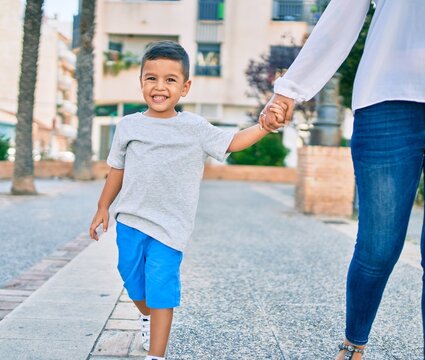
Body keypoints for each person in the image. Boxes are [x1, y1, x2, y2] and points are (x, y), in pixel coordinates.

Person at [260, 0, 425, 359]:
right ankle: (353, 343)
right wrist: (291, 89)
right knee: (377, 247)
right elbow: (344, 11)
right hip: (387, 97)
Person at [89, 41, 286, 360]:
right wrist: (102, 208)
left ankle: (157, 355)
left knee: (161, 291)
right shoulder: (128, 126)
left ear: (185, 87)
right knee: (132, 281)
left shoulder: (195, 127)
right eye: (151, 78)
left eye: (170, 80)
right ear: (141, 82)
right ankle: (146, 316)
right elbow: (116, 170)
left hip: (171, 229)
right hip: (131, 222)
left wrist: (263, 127)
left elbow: (233, 142)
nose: (159, 86)